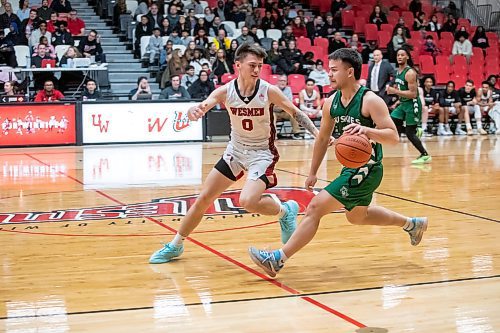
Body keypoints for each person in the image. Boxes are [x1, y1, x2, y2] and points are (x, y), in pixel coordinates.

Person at [248, 48, 428, 277]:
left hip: (368, 169)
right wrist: (312, 172)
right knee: (357, 216)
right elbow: (323, 138)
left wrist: (366, 130)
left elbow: (393, 137)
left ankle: (278, 259)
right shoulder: (331, 102)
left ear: (350, 72)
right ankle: (412, 224)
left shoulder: (370, 100)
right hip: (351, 168)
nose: (329, 75)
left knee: (314, 208)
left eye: (334, 70)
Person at [149, 44, 321, 264]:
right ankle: (175, 245)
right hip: (236, 151)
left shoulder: (268, 90)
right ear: (238, 65)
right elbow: (205, 104)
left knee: (247, 201)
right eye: (252, 65)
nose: (257, 70)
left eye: (260, 66)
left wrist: (316, 133)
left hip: (262, 153)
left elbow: (295, 112)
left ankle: (284, 212)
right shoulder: (226, 91)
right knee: (203, 198)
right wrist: (194, 110)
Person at [387, 45, 431, 164]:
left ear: (407, 57)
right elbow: (403, 88)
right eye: (398, 55)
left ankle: (424, 154)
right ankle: (416, 128)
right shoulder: (398, 71)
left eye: (402, 55)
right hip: (403, 104)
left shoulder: (410, 72)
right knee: (391, 121)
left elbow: (413, 94)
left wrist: (395, 91)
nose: (400, 57)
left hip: (412, 104)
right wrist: (397, 96)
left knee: (409, 134)